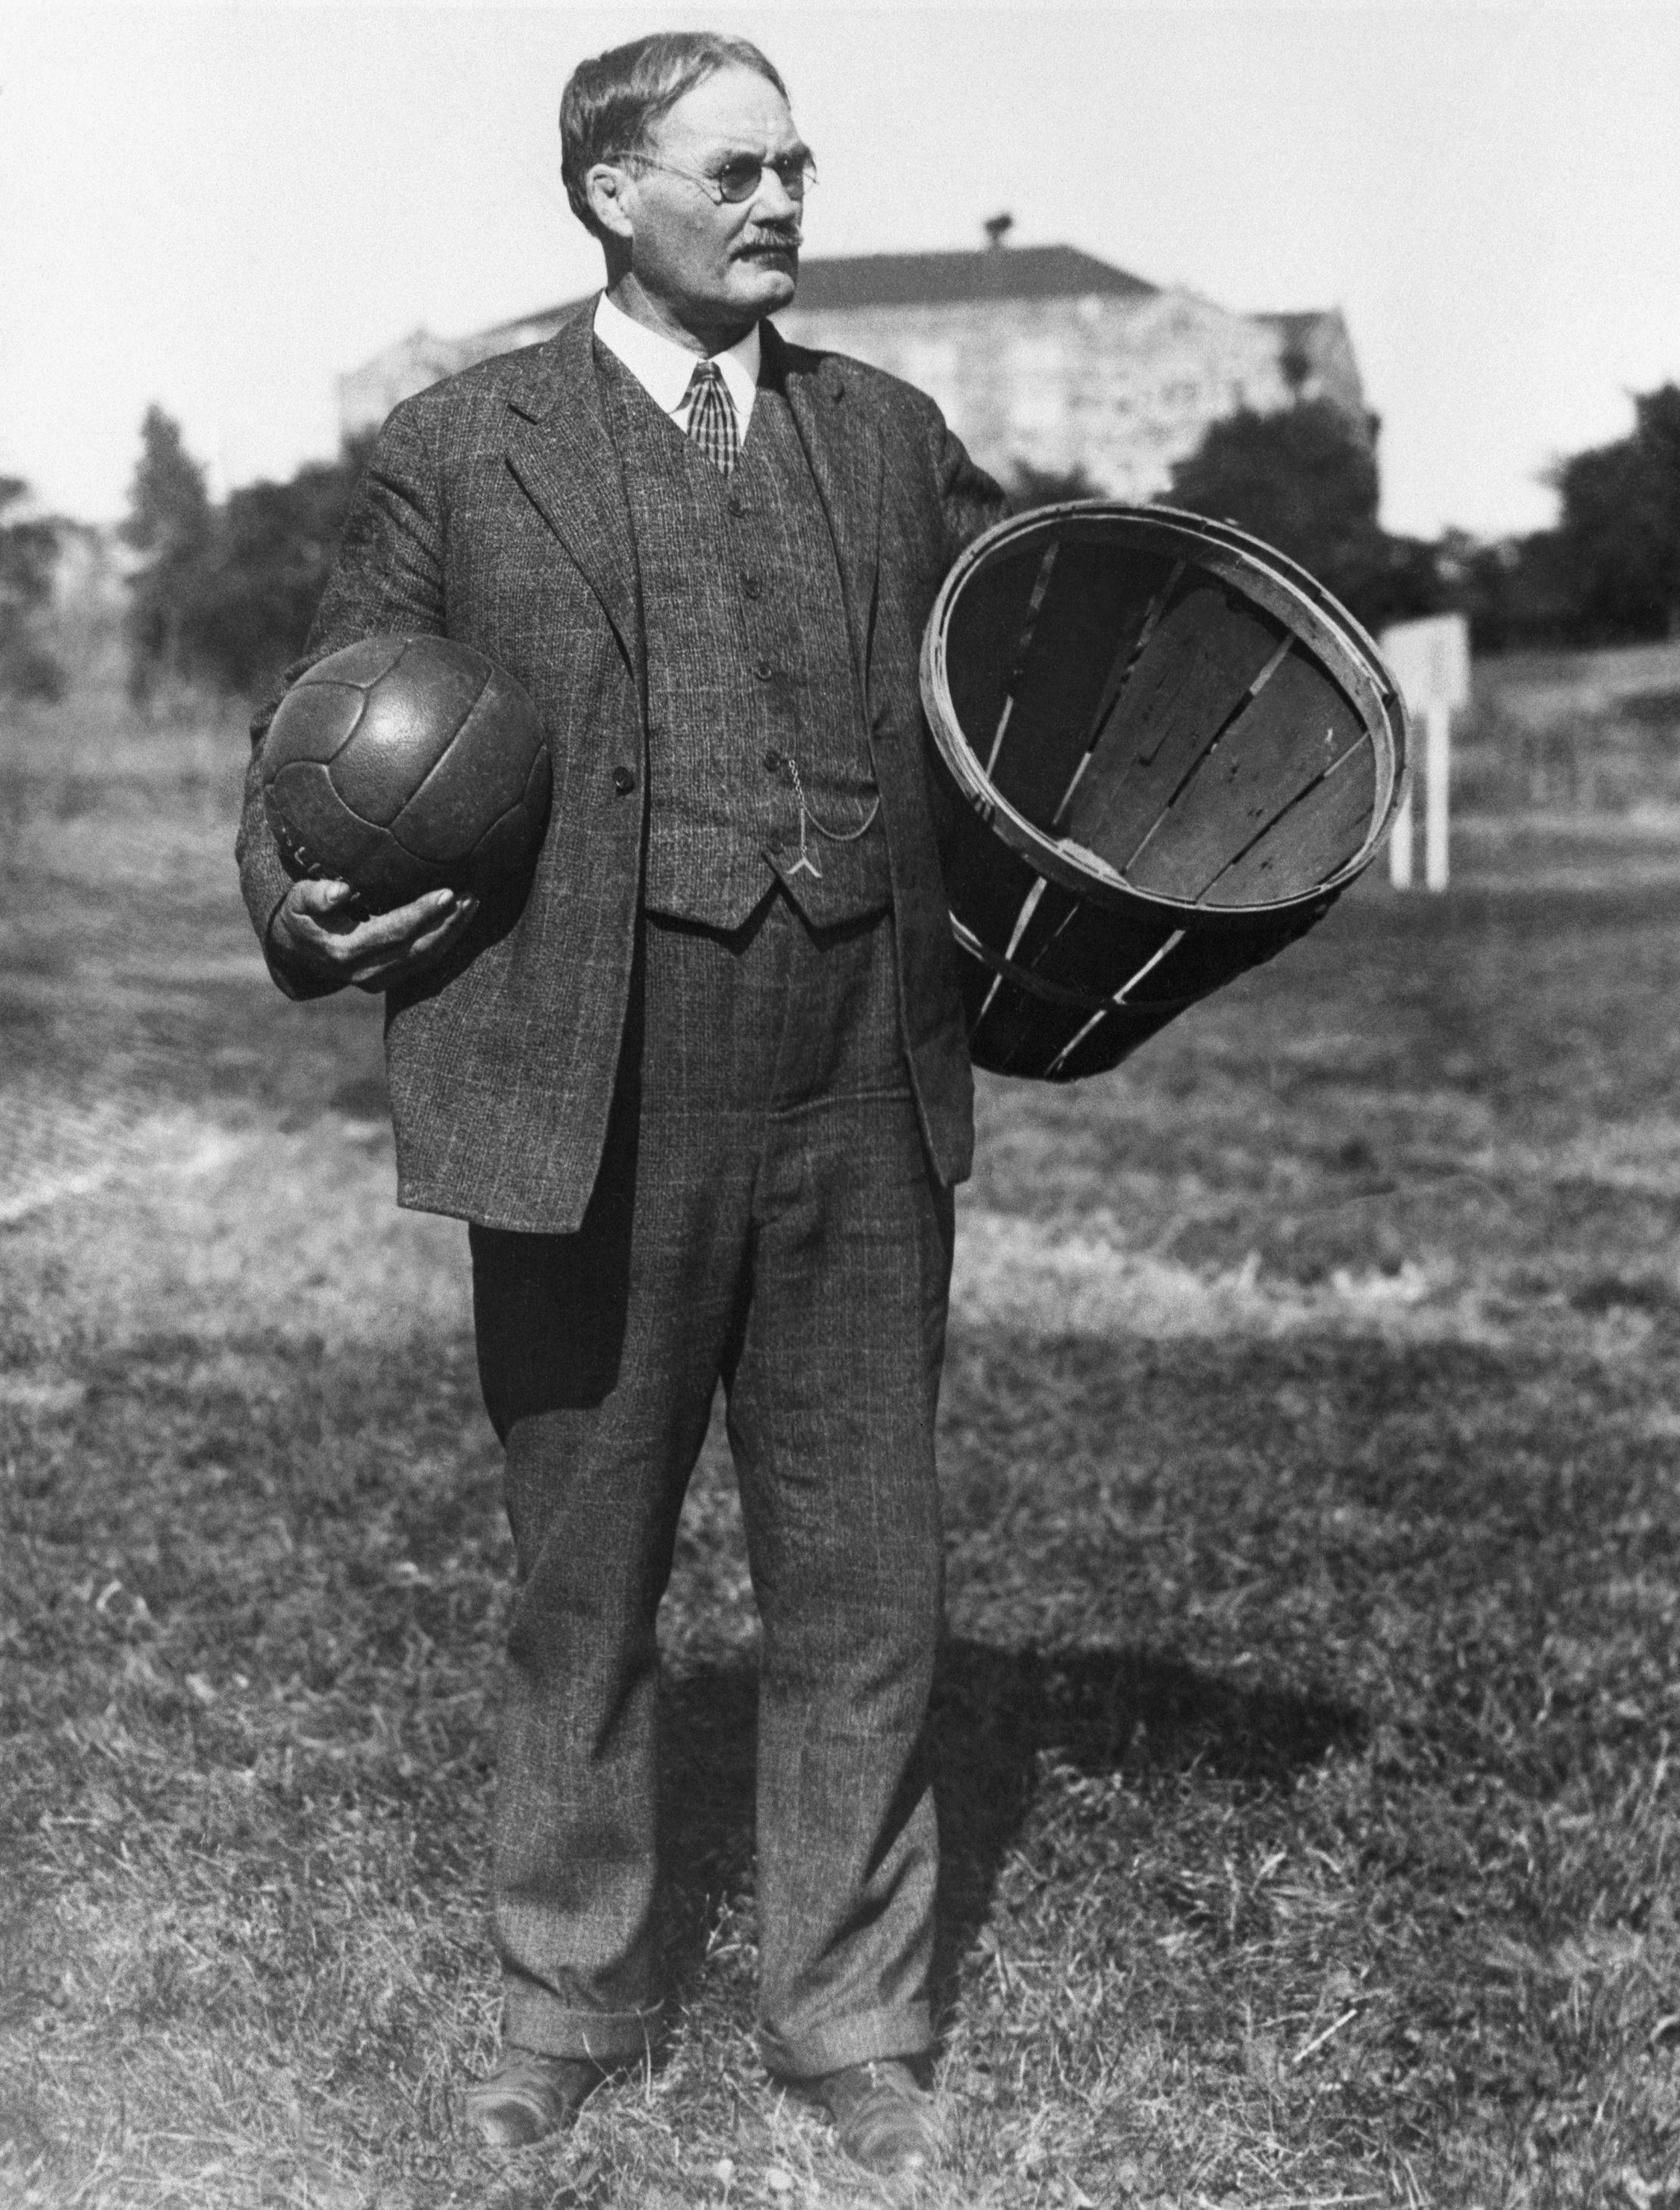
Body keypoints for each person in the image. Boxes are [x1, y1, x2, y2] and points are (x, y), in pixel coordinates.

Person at [236, 30, 1006, 2183]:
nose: (781, 201)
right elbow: (321, 720)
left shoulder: (887, 435)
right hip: (588, 1075)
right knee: (584, 1578)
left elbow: (1012, 687)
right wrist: (292, 902)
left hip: (861, 1068)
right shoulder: (458, 445)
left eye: (797, 167)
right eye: (735, 169)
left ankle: (850, 2014)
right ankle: (562, 1994)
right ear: (607, 192)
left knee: (865, 1574)